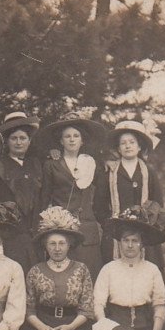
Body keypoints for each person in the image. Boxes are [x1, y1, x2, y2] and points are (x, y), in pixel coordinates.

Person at [37, 113, 106, 281]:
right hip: (62, 228)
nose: (72, 140)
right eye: (67, 136)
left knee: (90, 276)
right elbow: (45, 197)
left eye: (76, 136)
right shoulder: (51, 164)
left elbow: (101, 194)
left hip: (86, 226)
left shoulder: (92, 163)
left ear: (82, 140)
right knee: (63, 277)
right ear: (61, 141)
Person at [94, 119, 165, 274]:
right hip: (116, 232)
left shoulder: (148, 172)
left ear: (139, 146)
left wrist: (147, 221)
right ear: (118, 148)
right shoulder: (109, 172)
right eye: (123, 143)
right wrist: (112, 224)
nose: (127, 146)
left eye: (132, 142)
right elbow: (99, 205)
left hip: (145, 229)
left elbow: (158, 203)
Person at [0, 112, 44, 274]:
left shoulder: (36, 164)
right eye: (14, 138)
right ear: (7, 141)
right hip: (11, 234)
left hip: (36, 231)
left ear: (29, 141)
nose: (19, 142)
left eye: (23, 138)